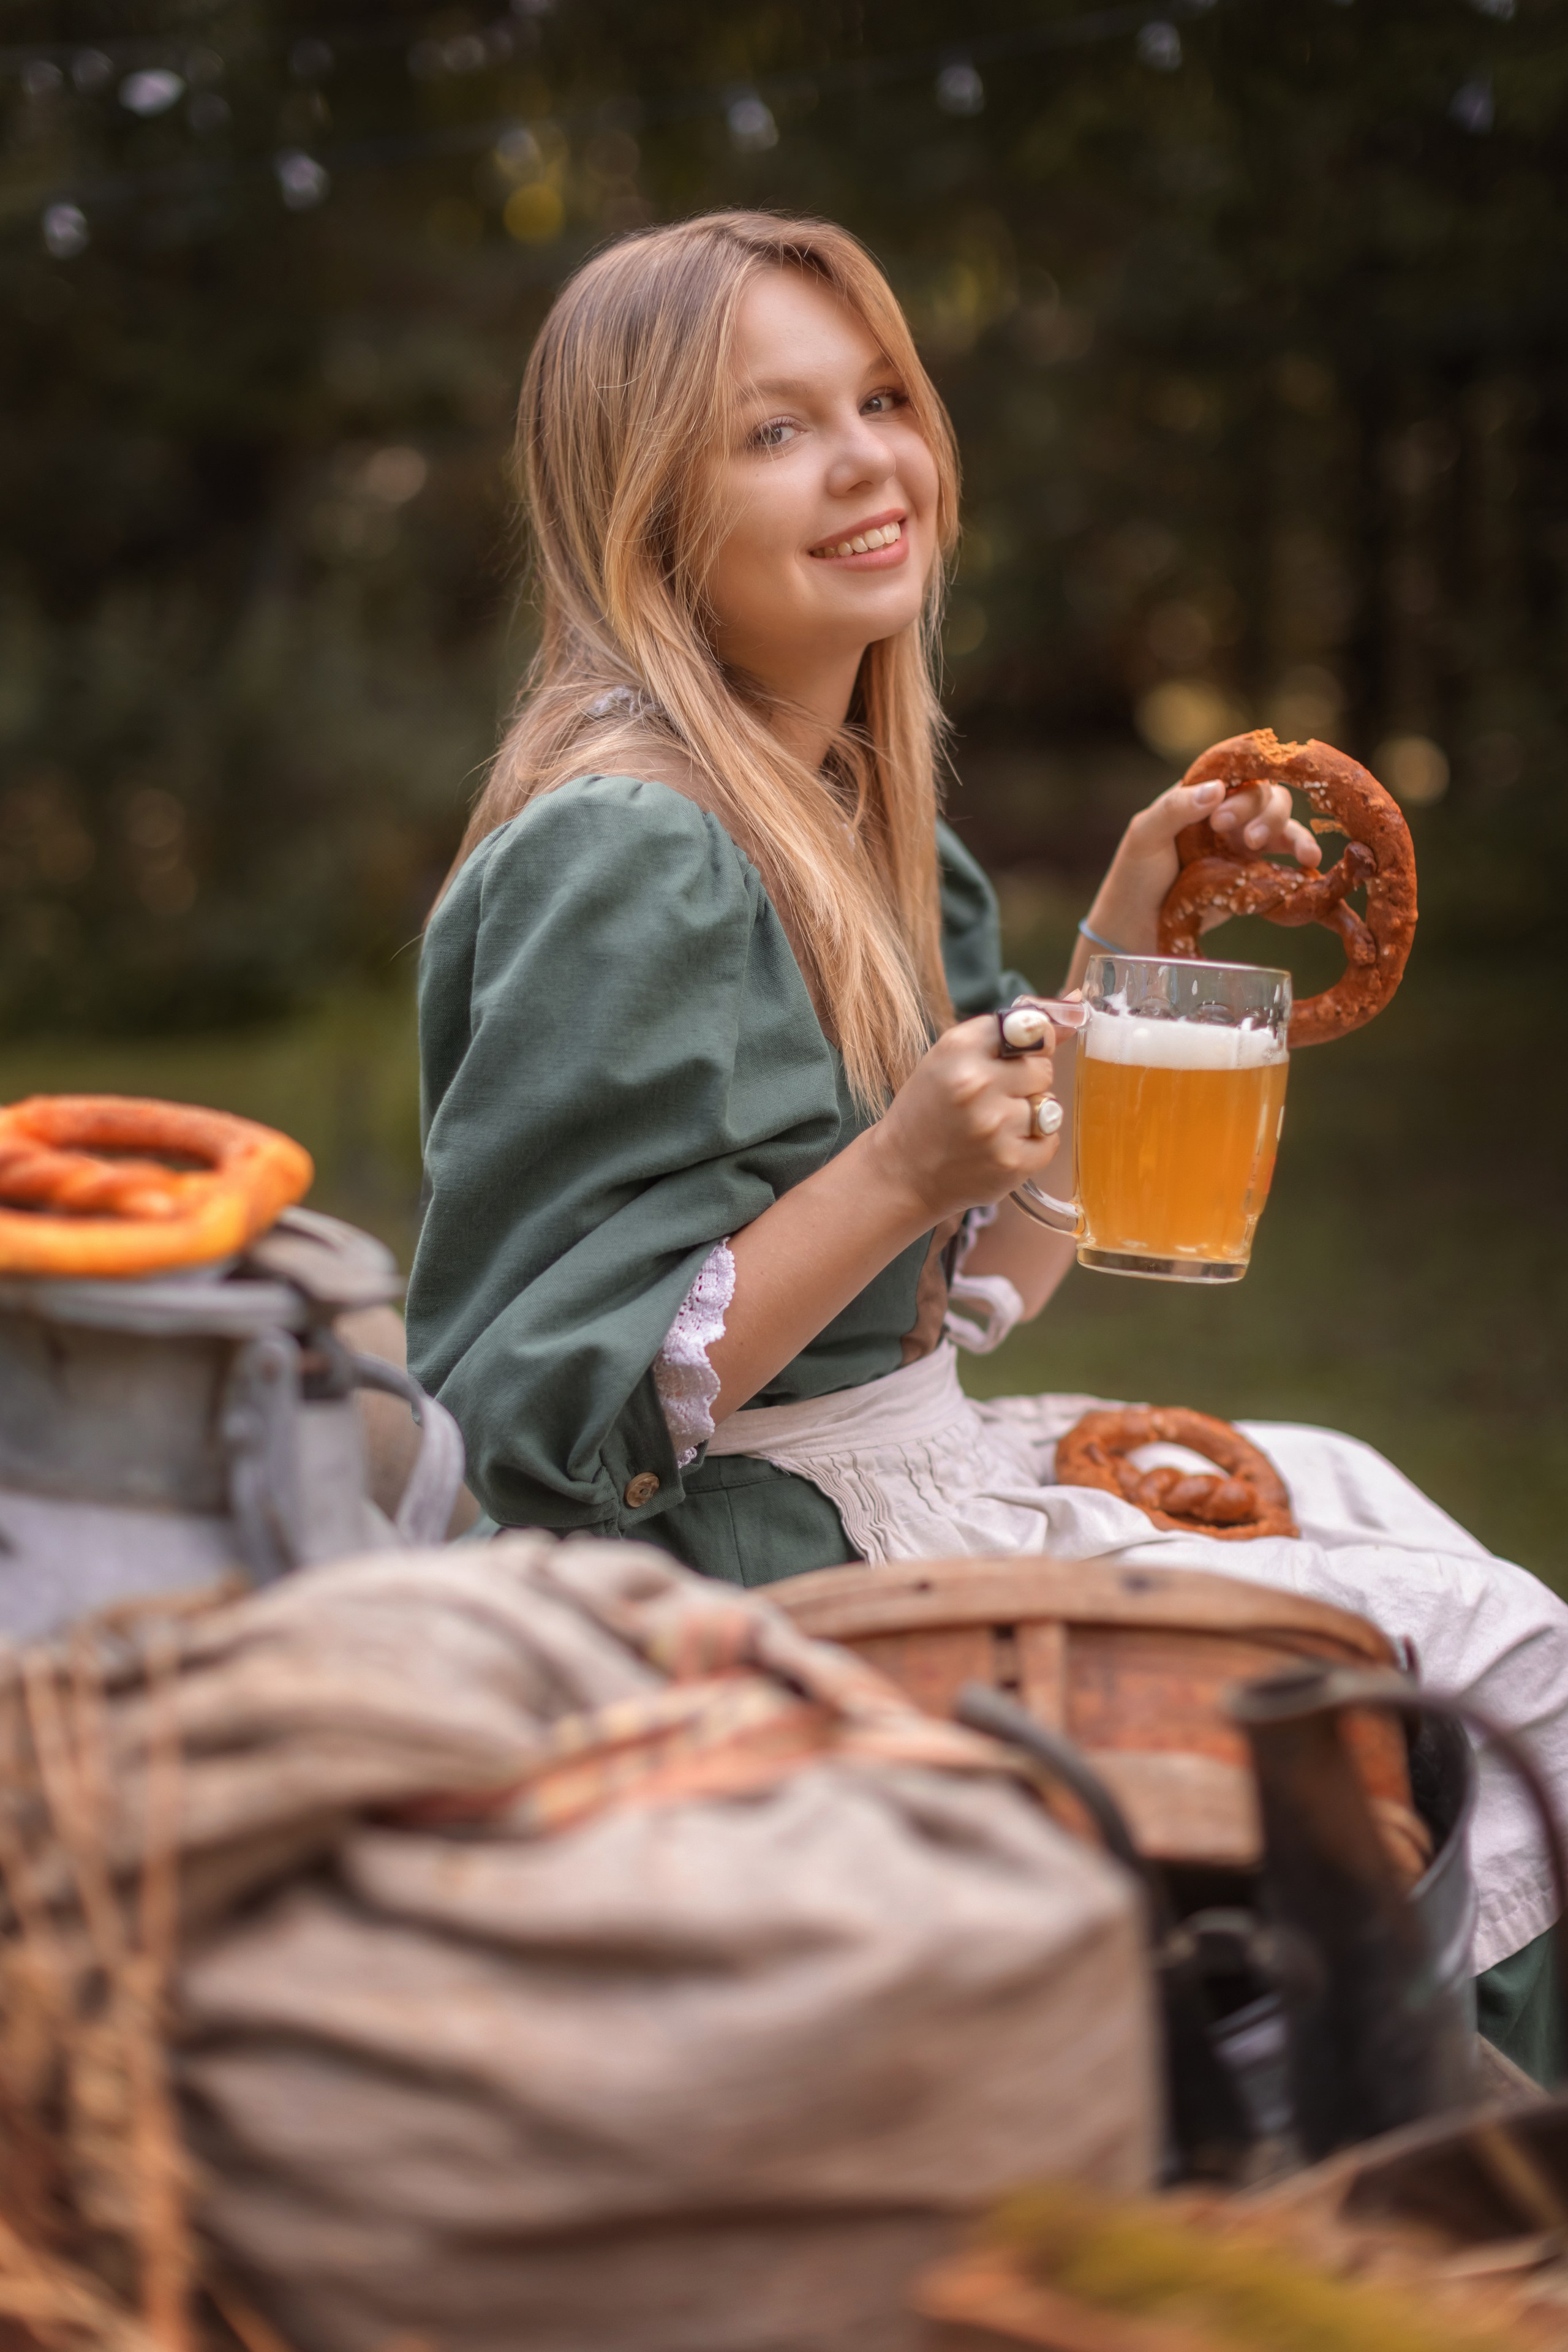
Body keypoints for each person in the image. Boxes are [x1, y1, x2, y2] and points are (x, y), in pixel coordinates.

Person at [407, 211, 1568, 2079]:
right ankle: (1394, 2149)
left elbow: (975, 1295)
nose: (868, 457)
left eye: (882, 396)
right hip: (749, 1575)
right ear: (646, 518)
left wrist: (1129, 944)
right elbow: (535, 1420)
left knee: (1372, 1509)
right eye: (773, 430)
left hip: (895, 1471)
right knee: (1510, 1670)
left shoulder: (861, 821)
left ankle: (1349, 2114)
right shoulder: (629, 853)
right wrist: (896, 1173)